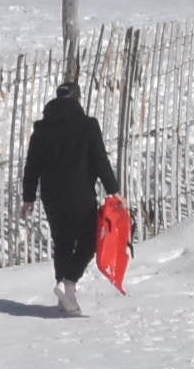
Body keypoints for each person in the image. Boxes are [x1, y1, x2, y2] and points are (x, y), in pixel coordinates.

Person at [19, 80, 121, 317]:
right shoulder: (87, 126)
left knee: (62, 242)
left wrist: (28, 197)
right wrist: (113, 190)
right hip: (80, 193)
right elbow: (100, 160)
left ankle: (64, 296)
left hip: (52, 196)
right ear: (77, 99)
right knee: (88, 241)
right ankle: (69, 283)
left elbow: (32, 166)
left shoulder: (42, 129)